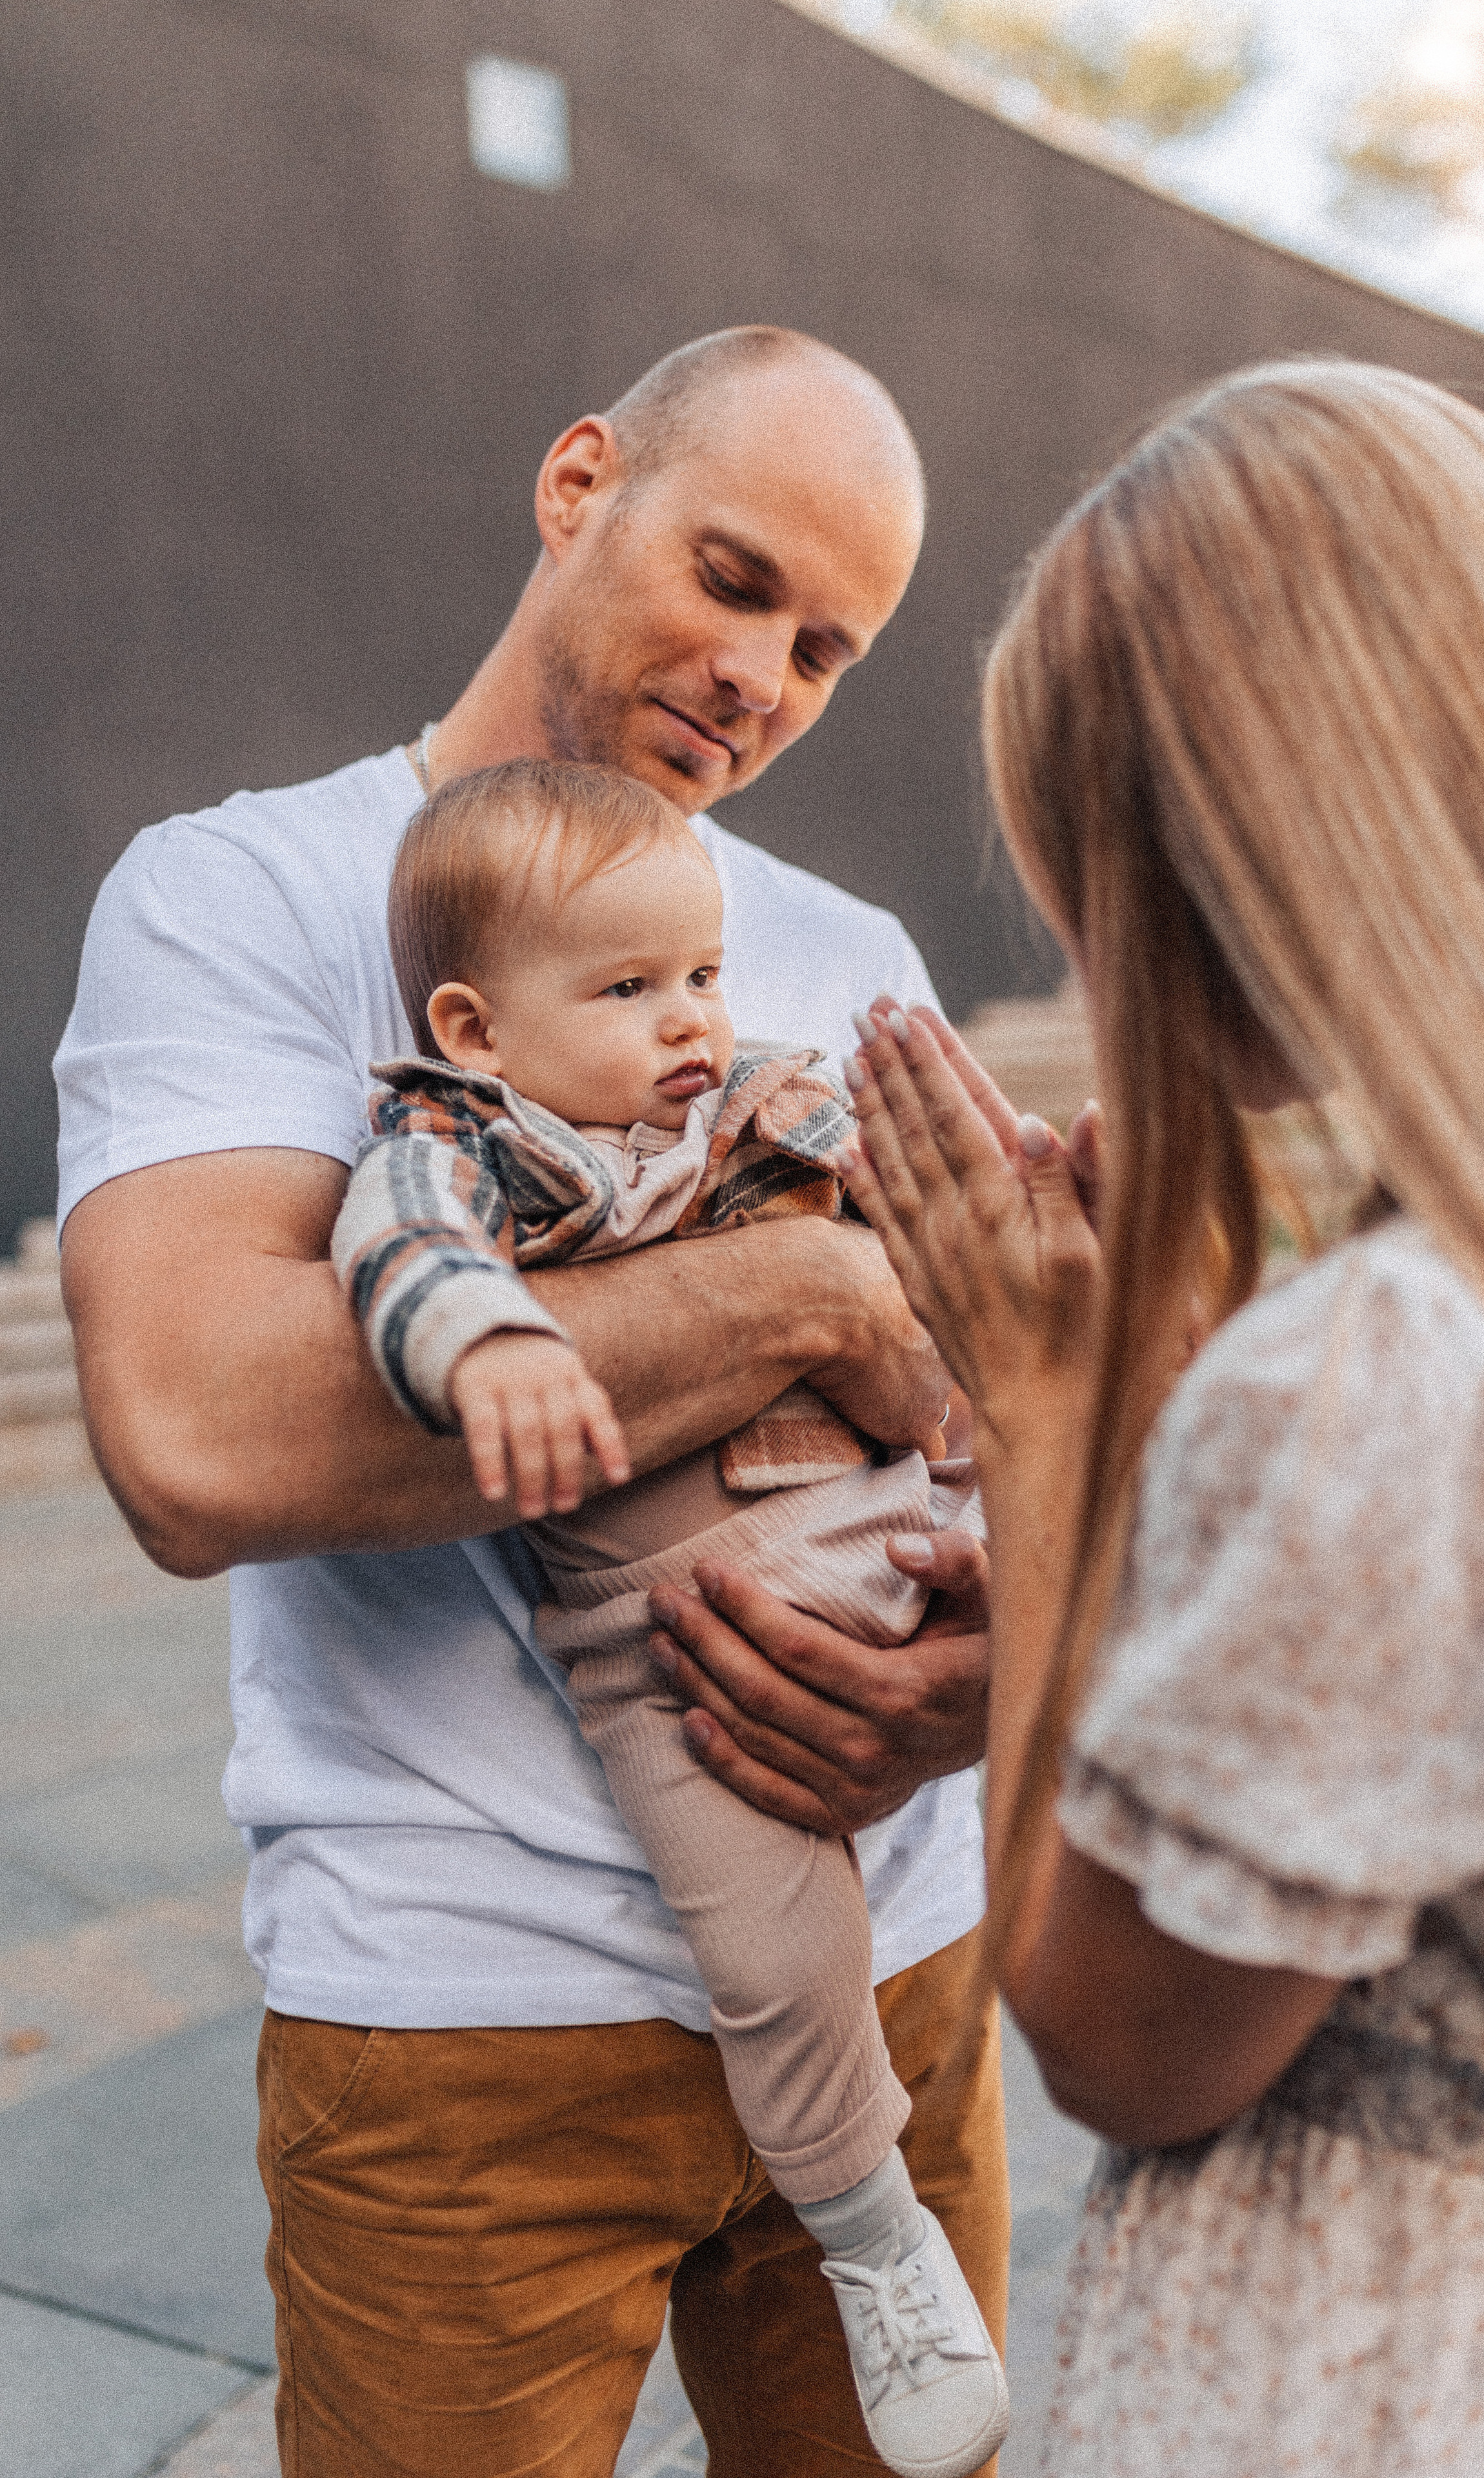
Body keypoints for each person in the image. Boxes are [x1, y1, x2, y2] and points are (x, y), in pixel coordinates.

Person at [53, 327, 1008, 2478]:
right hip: (468, 2015)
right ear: (581, 481)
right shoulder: (249, 896)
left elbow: (999, 1400)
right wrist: (806, 1282)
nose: (765, 673)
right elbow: (202, 1438)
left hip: (899, 1960)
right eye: (737, 577)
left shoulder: (849, 949)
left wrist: (991, 1666)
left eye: (831, 647)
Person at [836, 359, 1484, 2474]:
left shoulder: (1397, 1372)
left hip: (1386, 2387)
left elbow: (1117, 2035)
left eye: (1084, 877)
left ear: (1219, 863)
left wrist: (1048, 1401)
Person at [331, 752, 1008, 2478]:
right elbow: (400, 1250)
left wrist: (993, 1248)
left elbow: (960, 1260)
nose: (691, 1018)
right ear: (477, 1028)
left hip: (903, 1527)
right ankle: (872, 2242)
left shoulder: (770, 1096)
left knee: (1094, 1574)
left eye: (700, 973)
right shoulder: (468, 1143)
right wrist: (484, 1342)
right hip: (677, 1644)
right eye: (629, 988)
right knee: (777, 1953)